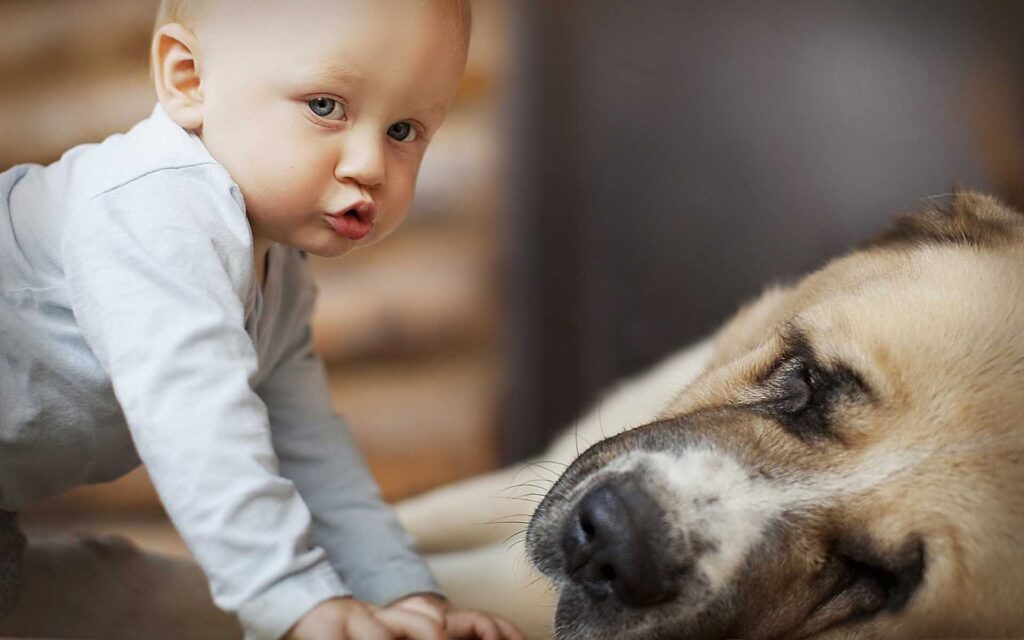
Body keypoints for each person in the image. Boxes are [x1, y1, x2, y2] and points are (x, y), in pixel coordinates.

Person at [0, 1, 524, 639]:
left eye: (405, 130)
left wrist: (405, 597)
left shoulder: (279, 273)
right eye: (326, 106)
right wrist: (293, 600)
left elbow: (308, 447)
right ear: (188, 78)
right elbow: (197, 420)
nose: (369, 165)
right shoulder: (154, 210)